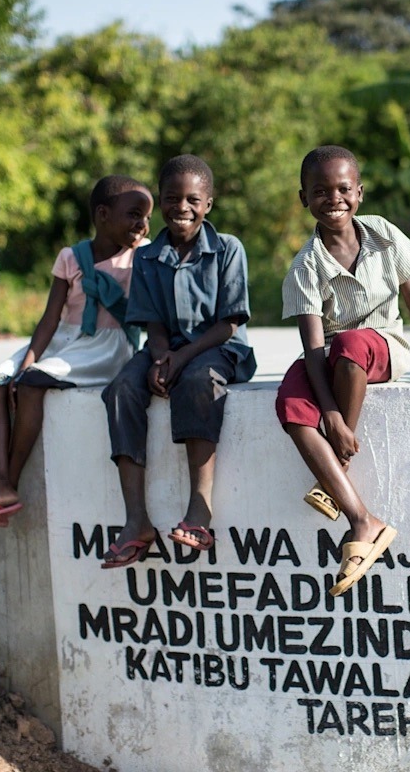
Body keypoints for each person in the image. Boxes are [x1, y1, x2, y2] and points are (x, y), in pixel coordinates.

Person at [275, 145, 410, 596]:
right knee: (289, 399)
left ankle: (334, 467)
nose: (333, 198)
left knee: (352, 342)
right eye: (320, 191)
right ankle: (363, 520)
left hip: (383, 346)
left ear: (359, 192)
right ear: (304, 199)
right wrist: (331, 417)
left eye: (343, 189)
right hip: (333, 354)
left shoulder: (381, 234)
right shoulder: (305, 267)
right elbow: (313, 345)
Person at [0, 175, 152, 530]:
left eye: (147, 217)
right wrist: (29, 358)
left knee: (32, 384)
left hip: (106, 345)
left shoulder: (143, 257)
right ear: (103, 214)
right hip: (63, 338)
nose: (142, 224)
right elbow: (50, 318)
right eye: (134, 214)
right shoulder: (71, 256)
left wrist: (30, 372)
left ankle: (5, 486)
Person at [100, 155, 256, 567]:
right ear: (160, 202)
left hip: (219, 349)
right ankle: (136, 522)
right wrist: (158, 359)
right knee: (121, 389)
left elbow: (229, 324)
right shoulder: (149, 256)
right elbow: (152, 324)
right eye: (171, 198)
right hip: (166, 349)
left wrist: (181, 358)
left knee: (197, 383)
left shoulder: (227, 248)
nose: (181, 207)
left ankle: (199, 510)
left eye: (192, 199)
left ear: (208, 204)